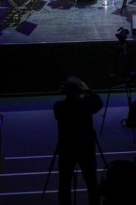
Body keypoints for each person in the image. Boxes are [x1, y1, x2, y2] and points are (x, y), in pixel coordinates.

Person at [53, 76, 103, 205]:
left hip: (66, 147)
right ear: (79, 90)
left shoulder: (58, 106)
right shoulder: (86, 104)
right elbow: (98, 103)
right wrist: (88, 91)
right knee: (91, 181)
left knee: (64, 182)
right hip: (85, 147)